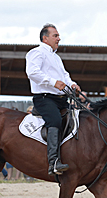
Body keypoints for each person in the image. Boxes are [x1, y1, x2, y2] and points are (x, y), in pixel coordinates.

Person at [26, 23, 81, 176]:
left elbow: (65, 76)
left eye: (58, 36)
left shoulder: (56, 57)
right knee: (55, 120)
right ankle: (53, 162)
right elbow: (32, 72)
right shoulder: (36, 52)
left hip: (60, 98)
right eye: (55, 36)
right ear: (45, 38)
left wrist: (72, 85)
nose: (59, 38)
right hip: (44, 98)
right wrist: (52, 82)